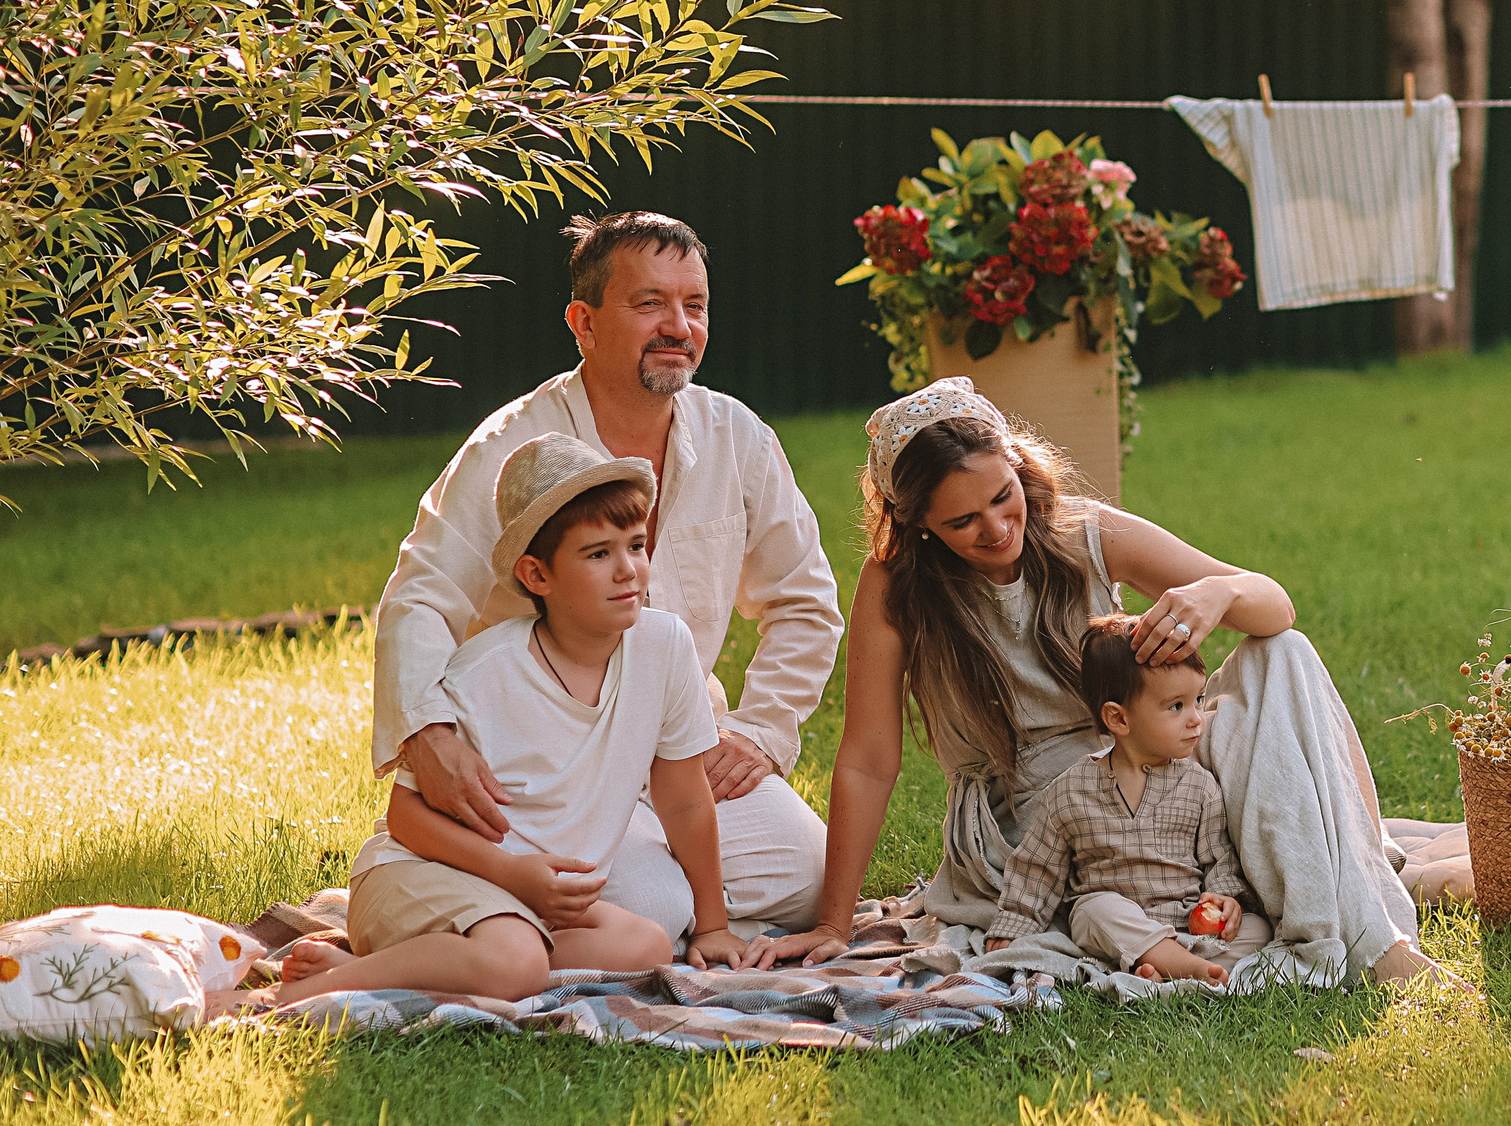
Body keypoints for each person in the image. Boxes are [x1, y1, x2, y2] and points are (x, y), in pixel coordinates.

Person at [740, 378, 1437, 984]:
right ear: (918, 522)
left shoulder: (1085, 532)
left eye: (1002, 497)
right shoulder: (895, 584)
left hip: (1148, 749)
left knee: (1282, 652)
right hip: (1042, 810)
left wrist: (1217, 594)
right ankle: (1363, 927)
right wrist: (834, 921)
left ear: (1018, 467)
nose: (996, 527)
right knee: (1299, 794)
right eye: (962, 520)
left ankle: (1363, 935)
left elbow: (1275, 606)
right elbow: (867, 758)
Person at [373, 213, 842, 950]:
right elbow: (420, 597)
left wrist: (760, 731)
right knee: (654, 910)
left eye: (695, 305)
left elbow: (806, 601)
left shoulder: (738, 436)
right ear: (584, 323)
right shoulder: (510, 445)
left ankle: (627, 894)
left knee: (812, 870)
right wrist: (427, 733)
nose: (678, 326)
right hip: (545, 770)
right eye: (650, 303)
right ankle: (541, 898)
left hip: (686, 760)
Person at [273, 436, 751, 1004]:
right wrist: (513, 876)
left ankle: (411, 965)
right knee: (517, 963)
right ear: (536, 575)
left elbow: (684, 798)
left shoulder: (665, 646)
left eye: (637, 545)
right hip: (424, 874)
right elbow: (406, 817)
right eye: (598, 554)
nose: (629, 571)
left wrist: (714, 924)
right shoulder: (487, 672)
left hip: (524, 902)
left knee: (646, 946)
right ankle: (324, 985)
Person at [984, 613, 1269, 985]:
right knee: (1092, 910)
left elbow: (1218, 857)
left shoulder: (1200, 787)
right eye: (1176, 706)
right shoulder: (1071, 790)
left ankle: (1158, 966)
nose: (1197, 719)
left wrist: (1222, 898)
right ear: (1118, 719)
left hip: (1183, 920)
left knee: (1258, 929)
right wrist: (1015, 922)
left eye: (1198, 700)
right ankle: (1187, 969)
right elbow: (1038, 867)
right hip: (1114, 919)